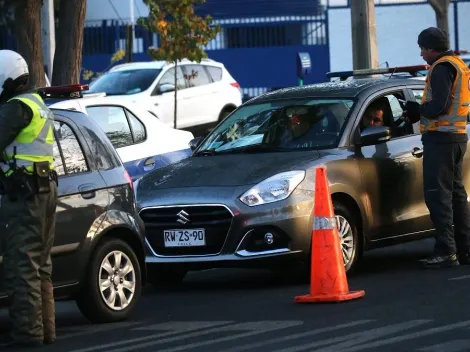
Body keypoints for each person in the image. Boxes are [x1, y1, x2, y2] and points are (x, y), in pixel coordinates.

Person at [0, 49, 58, 347]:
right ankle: (45, 332)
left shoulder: (15, 108)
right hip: (45, 189)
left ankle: (27, 336)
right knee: (40, 266)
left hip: (24, 194)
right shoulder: (37, 103)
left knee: (23, 265)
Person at [404, 27, 470, 269]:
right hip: (457, 137)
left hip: (440, 139)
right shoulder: (458, 64)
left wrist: (416, 109)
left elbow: (438, 106)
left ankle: (446, 251)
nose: (421, 54)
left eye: (422, 49)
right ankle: (465, 250)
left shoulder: (441, 68)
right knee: (456, 195)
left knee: (438, 196)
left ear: (432, 49)